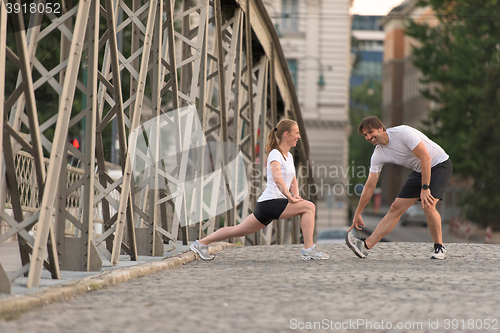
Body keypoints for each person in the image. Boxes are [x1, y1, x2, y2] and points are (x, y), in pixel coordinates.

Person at [190, 119, 329, 260]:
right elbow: (277, 179)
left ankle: (200, 244)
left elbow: (292, 179)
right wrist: (290, 197)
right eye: (296, 133)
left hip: (269, 204)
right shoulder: (275, 153)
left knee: (239, 231)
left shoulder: (290, 156)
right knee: (309, 207)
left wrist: (296, 195)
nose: (299, 136)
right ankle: (308, 249)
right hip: (271, 202)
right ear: (286, 134)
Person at [346, 116, 452, 260]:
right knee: (396, 208)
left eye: (370, 132)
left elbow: (425, 157)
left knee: (428, 204)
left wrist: (425, 188)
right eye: (365, 135)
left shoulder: (403, 133)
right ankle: (365, 247)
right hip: (420, 170)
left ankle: (439, 248)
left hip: (439, 165)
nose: (369, 137)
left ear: (381, 128)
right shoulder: (378, 154)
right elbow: (370, 185)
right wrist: (358, 213)